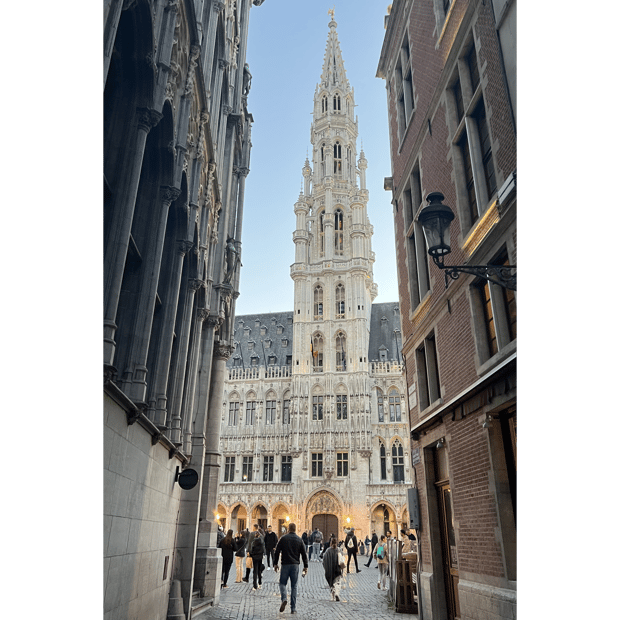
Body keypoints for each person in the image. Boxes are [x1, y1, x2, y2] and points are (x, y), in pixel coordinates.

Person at [273, 522, 308, 615]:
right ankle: (293, 608)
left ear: (288, 529)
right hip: (295, 565)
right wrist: (306, 566)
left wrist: (275, 564)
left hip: (285, 564)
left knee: (282, 583)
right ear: (295, 529)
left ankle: (284, 598)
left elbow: (276, 552)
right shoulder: (299, 540)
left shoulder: (283, 538)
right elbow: (304, 554)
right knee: (294, 586)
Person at [322, 537, 345, 601]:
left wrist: (326, 568)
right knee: (337, 583)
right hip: (337, 570)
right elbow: (342, 560)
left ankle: (332, 596)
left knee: (331, 583)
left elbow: (324, 561)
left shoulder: (328, 551)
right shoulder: (339, 550)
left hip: (330, 570)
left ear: (330, 543)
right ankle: (337, 593)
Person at [248, 524, 265, 590]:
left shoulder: (252, 536)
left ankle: (254, 585)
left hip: (254, 556)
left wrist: (250, 553)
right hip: (260, 556)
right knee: (259, 570)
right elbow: (263, 546)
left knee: (255, 570)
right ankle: (260, 583)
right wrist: (263, 553)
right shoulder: (261, 536)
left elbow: (250, 545)